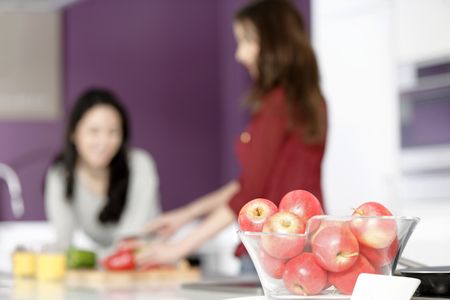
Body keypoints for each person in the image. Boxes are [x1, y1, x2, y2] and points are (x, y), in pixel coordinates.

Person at [131, 0, 327, 270]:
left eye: (247, 41)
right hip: (304, 247)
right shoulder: (310, 101)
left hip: (273, 254)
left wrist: (177, 249)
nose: (240, 55)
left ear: (273, 42)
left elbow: (248, 194)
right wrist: (185, 216)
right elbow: (247, 183)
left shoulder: (278, 105)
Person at [44, 88, 160, 251]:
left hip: (149, 264)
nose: (104, 142)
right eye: (94, 131)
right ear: (73, 133)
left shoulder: (140, 165)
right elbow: (63, 240)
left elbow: (130, 240)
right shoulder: (60, 175)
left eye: (113, 132)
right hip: (109, 267)